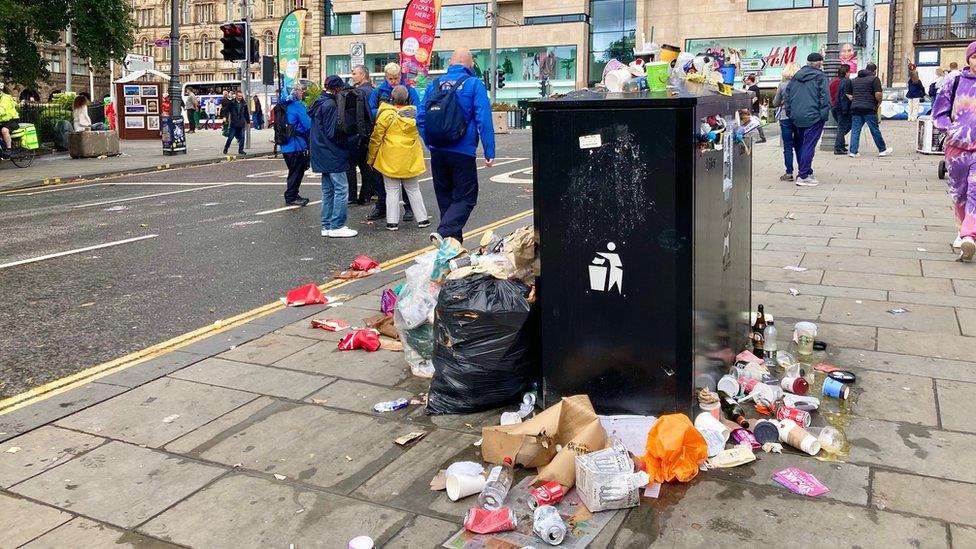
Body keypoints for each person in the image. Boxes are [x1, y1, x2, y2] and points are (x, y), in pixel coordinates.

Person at [418, 48, 495, 242]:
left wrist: (430, 142)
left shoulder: (434, 84)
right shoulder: (473, 84)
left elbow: (420, 117)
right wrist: (489, 150)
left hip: (438, 152)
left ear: (450, 63)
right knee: (466, 198)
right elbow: (483, 119)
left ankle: (453, 253)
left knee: (447, 203)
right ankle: (443, 233)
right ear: (470, 65)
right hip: (462, 152)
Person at [933, 40, 976, 262]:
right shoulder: (955, 80)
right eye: (975, 56)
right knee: (959, 192)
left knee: (975, 191)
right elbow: (939, 111)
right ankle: (962, 230)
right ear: (968, 59)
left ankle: (970, 234)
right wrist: (950, 129)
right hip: (957, 148)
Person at [368, 85, 431, 231]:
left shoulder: (385, 115)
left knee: (391, 190)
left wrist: (371, 158)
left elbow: (376, 138)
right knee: (414, 189)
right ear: (408, 99)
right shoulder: (415, 114)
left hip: (390, 156)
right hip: (410, 156)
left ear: (392, 98)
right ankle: (423, 219)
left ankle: (392, 222)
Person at [367, 62, 419, 222]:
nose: (393, 81)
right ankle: (381, 206)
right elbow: (370, 111)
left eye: (396, 78)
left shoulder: (409, 90)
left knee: (405, 176)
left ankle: (408, 208)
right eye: (390, 78)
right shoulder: (378, 91)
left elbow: (418, 109)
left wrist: (393, 112)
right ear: (385, 77)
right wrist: (387, 112)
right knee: (380, 177)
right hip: (385, 139)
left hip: (403, 139)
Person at [310, 75, 358, 238]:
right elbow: (333, 133)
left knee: (328, 190)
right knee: (341, 189)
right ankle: (337, 225)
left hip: (321, 152)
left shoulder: (319, 102)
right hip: (333, 153)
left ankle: (327, 225)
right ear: (337, 89)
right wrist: (352, 138)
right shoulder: (331, 105)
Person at [784, 53, 831, 187]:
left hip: (797, 116)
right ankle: (803, 175)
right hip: (814, 117)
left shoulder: (795, 78)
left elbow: (787, 96)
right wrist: (823, 115)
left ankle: (807, 171)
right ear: (819, 63)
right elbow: (825, 97)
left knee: (800, 145)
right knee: (808, 145)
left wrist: (790, 113)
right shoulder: (820, 77)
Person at [346, 64, 379, 206]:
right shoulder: (373, 91)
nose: (352, 76)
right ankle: (366, 195)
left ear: (363, 75)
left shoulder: (356, 92)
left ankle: (352, 197)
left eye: (354, 73)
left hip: (356, 133)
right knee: (366, 166)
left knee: (350, 166)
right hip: (369, 133)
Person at [846, 63, 893, 158]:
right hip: (869, 108)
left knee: (855, 130)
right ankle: (882, 150)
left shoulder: (854, 80)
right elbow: (878, 94)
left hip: (856, 108)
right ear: (874, 71)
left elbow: (848, 94)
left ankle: (853, 151)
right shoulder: (874, 79)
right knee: (874, 129)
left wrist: (856, 100)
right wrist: (878, 102)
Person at [279, 84, 312, 207]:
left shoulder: (282, 106)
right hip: (297, 145)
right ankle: (291, 196)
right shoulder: (297, 105)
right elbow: (308, 125)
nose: (301, 92)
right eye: (300, 90)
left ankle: (293, 194)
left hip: (285, 145)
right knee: (297, 171)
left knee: (293, 171)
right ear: (294, 92)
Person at [772, 63, 802, 181]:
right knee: (800, 145)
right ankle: (802, 171)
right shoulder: (802, 85)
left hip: (785, 118)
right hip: (799, 117)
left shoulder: (782, 85)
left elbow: (775, 103)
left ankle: (789, 173)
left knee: (788, 146)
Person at [830, 64, 853, 154]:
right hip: (843, 107)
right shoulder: (846, 82)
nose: (850, 73)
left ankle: (841, 145)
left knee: (841, 126)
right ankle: (838, 146)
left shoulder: (833, 82)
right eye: (849, 71)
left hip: (834, 106)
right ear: (846, 72)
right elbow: (847, 95)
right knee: (842, 127)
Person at [222, 90, 249, 156]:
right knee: (230, 137)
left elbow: (246, 113)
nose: (240, 97)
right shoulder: (231, 103)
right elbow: (225, 110)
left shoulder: (244, 104)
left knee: (242, 137)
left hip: (242, 123)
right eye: (239, 96)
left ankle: (241, 150)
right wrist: (224, 116)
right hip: (234, 123)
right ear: (236, 95)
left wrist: (248, 122)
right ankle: (226, 148)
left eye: (241, 96)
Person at [743, 75, 767, 142]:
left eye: (747, 80)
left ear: (750, 80)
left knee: (756, 123)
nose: (745, 81)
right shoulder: (750, 88)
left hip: (753, 109)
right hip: (751, 108)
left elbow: (755, 98)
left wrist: (748, 105)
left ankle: (762, 137)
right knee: (750, 122)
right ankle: (749, 136)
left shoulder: (755, 88)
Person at [0, 82, 20, 159]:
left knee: (4, 130)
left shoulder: (5, 98)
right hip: (2, 121)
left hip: (12, 120)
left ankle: (9, 149)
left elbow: (2, 109)